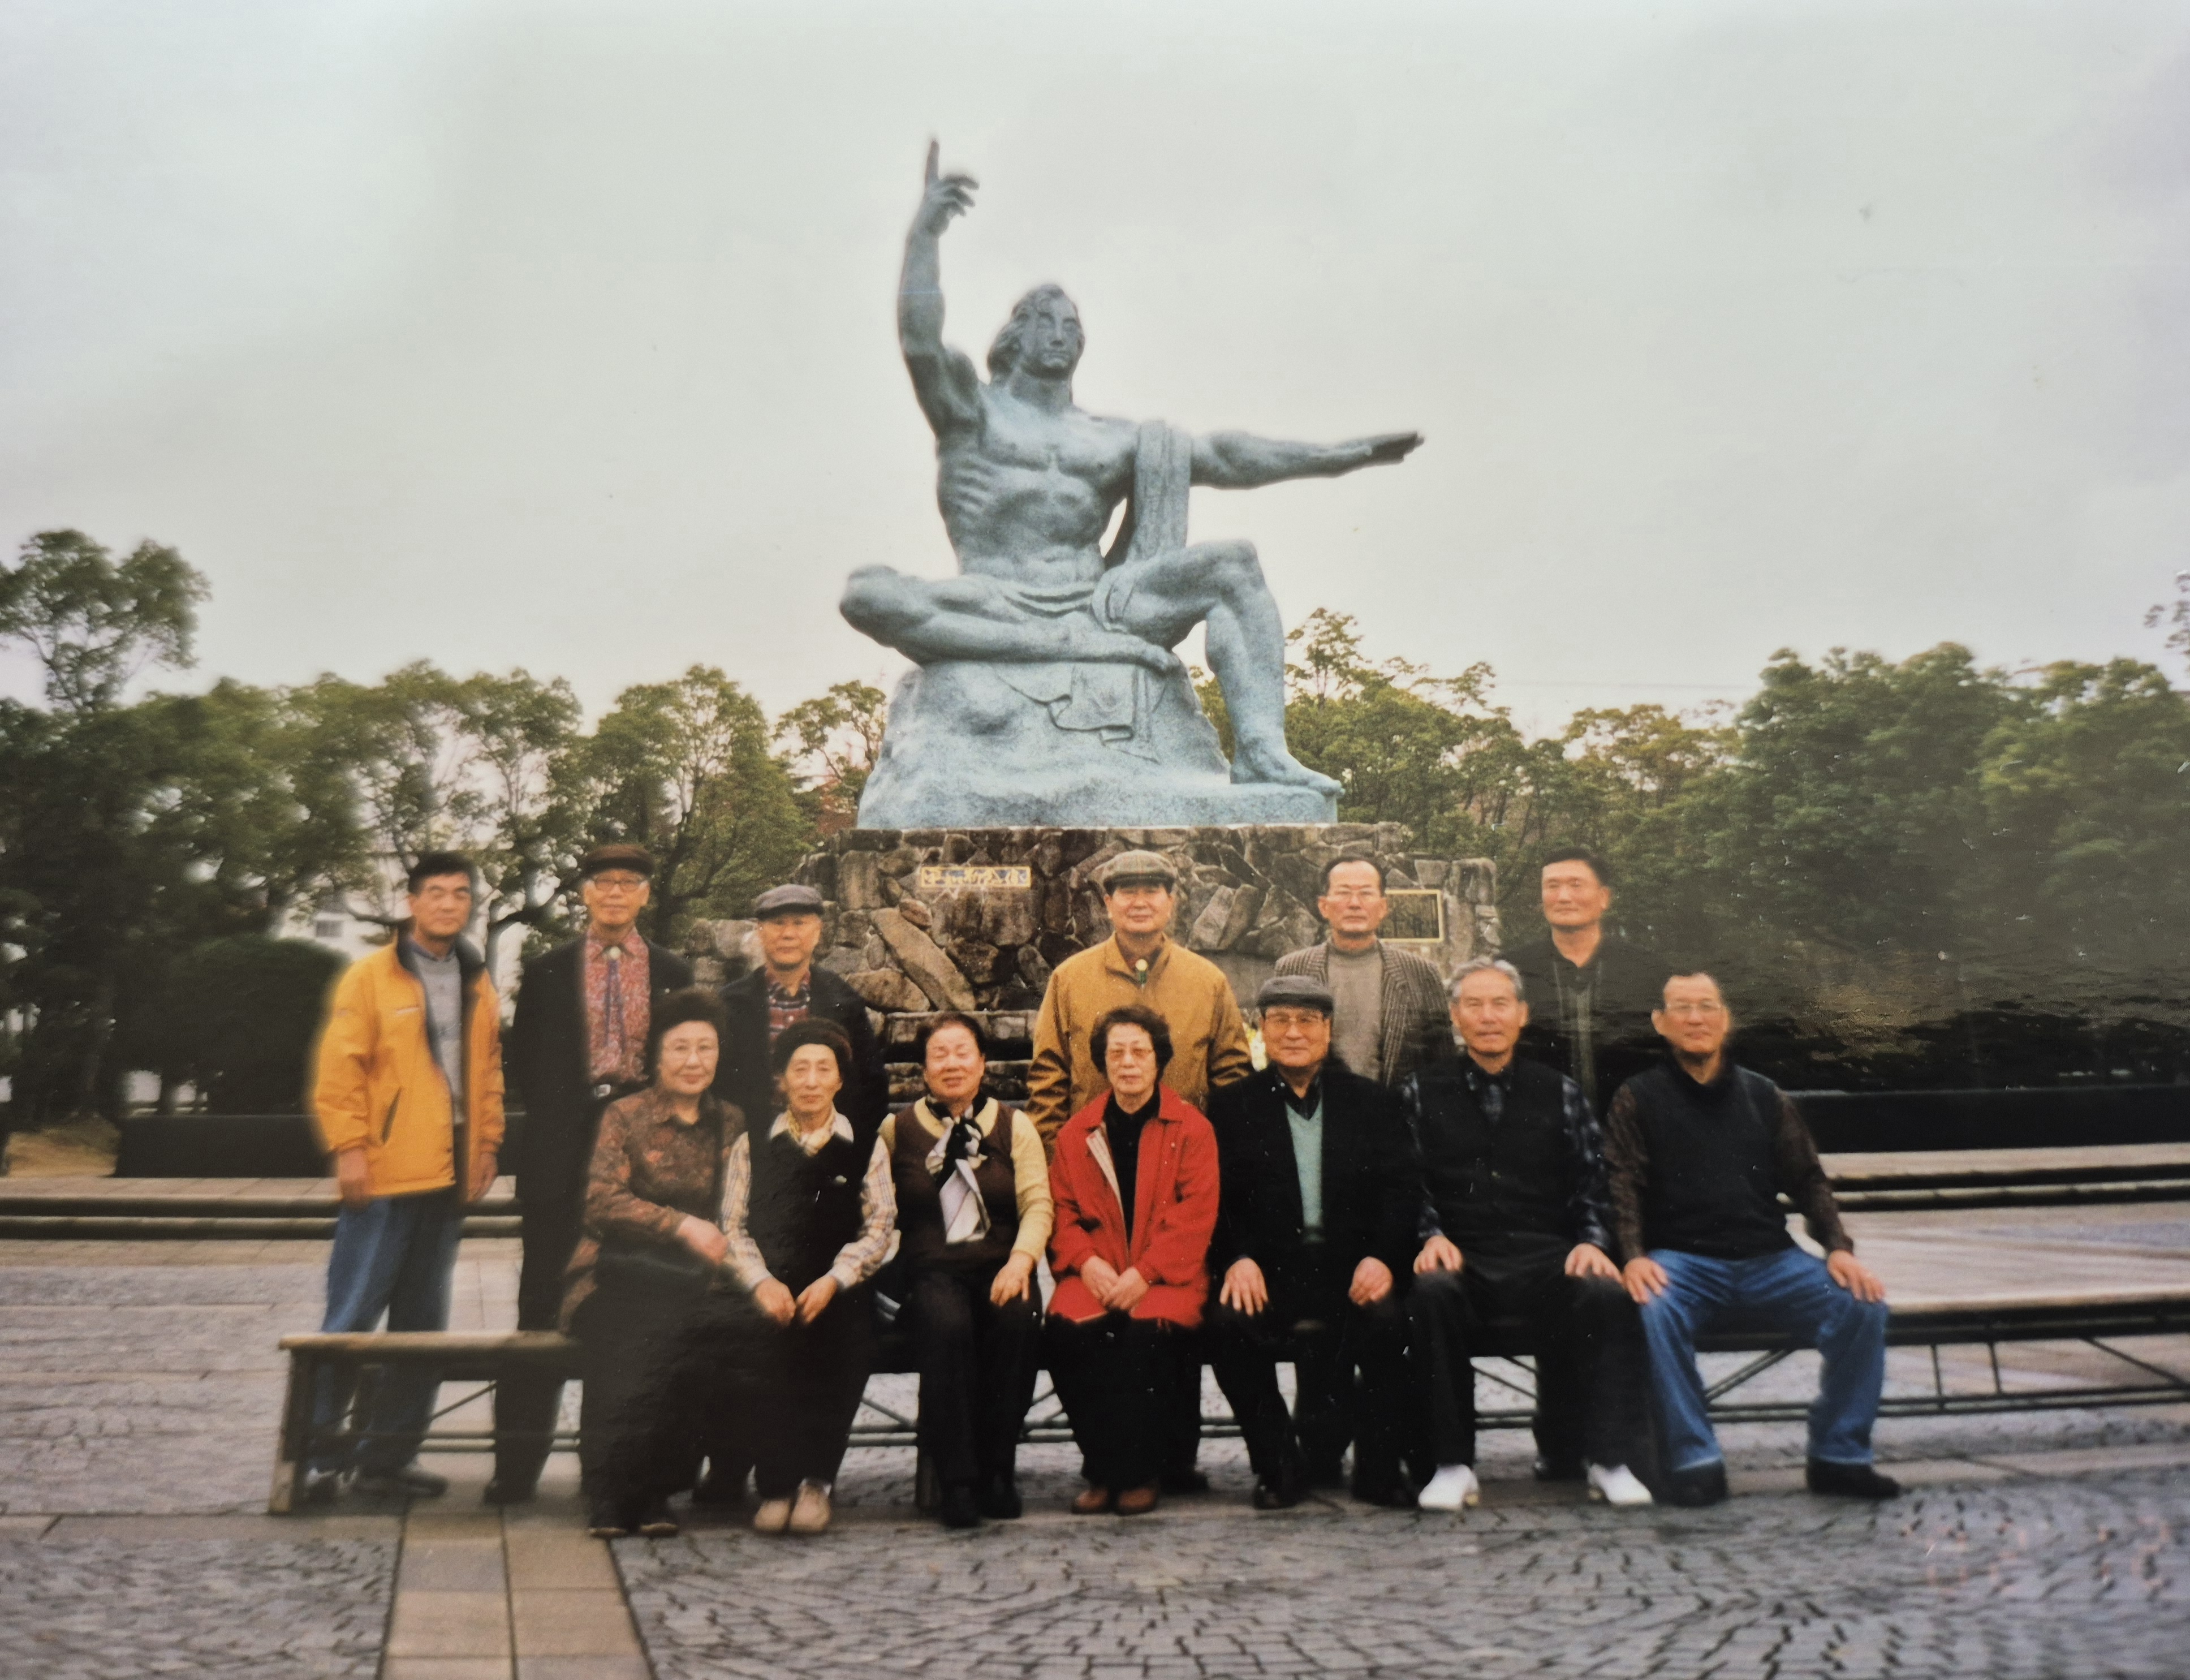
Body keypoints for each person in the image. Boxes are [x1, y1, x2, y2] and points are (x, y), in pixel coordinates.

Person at [1606, 972, 1898, 1507]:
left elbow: (1808, 1178)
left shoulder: (1764, 1095)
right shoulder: (1637, 1098)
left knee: (1862, 1306)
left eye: (1707, 1006)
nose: (1696, 1018)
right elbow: (1622, 1182)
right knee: (1653, 1308)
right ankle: (1695, 1459)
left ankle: (1839, 1454)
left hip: (1771, 1262)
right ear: (1660, 1023)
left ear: (1726, 1019)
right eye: (1682, 1008)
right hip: (1683, 1264)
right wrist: (1633, 1257)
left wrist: (1838, 1248)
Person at [1028, 848, 1252, 1491]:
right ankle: (1112, 1461)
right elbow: (1047, 1078)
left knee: (1166, 1325)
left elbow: (1233, 1075)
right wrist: (1059, 1164)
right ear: (1106, 904)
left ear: (1172, 901)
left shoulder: (1207, 981)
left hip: (1181, 1178)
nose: (1139, 901)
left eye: (1153, 889)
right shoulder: (1070, 979)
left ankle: (1170, 1461)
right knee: (1088, 1328)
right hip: (1094, 1174)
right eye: (1125, 891)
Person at [1403, 958, 1653, 1513]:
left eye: (1500, 1004)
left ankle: (1609, 1459)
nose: (1487, 1017)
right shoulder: (1420, 1091)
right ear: (1455, 1016)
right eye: (1473, 1005)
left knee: (1603, 1292)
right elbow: (1408, 1180)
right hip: (1464, 1254)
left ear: (1521, 1014)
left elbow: (1593, 1179)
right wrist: (1430, 1234)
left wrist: (1591, 1240)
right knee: (1430, 1292)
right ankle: (1452, 1464)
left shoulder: (1559, 1091)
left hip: (1545, 1254)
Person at [493, 843, 693, 1505]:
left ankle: (620, 1464)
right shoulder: (547, 971)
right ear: (585, 893)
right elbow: (525, 1062)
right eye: (603, 882)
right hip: (560, 1161)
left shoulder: (671, 971)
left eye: (628, 882)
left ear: (644, 894)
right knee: (540, 1306)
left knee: (636, 1306)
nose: (614, 893)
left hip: (643, 1164)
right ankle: (515, 1465)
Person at [304, 851, 505, 1502]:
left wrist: (487, 1145)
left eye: (459, 894)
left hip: (447, 1178)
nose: (448, 904)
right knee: (351, 1318)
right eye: (435, 893)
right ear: (412, 902)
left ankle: (387, 1459)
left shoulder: (477, 980)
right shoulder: (371, 976)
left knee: (421, 1328)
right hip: (384, 1178)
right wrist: (350, 1148)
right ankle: (315, 1455)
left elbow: (488, 1073)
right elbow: (340, 1069)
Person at [700, 880, 886, 1504]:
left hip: (826, 1174)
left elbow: (868, 1087)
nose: (788, 933)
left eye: (800, 922)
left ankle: (806, 1475)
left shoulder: (842, 1000)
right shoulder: (731, 1003)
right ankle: (733, 1466)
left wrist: (839, 1155)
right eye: (776, 922)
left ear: (817, 931)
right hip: (756, 1166)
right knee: (738, 1323)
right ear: (760, 932)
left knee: (829, 1325)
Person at [1206, 977, 1420, 1509]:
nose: (1294, 1032)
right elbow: (1217, 1199)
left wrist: (1383, 1259)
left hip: (1351, 1268)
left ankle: (1378, 1468)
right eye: (1280, 1020)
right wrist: (1238, 1259)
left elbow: (1401, 1191)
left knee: (1394, 1320)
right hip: (1272, 1271)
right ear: (1261, 1029)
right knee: (1229, 1323)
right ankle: (1279, 1464)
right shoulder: (1233, 1107)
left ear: (1328, 1029)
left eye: (1307, 1020)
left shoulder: (1372, 1101)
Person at [559, 990, 739, 1539]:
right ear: (656, 1057)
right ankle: (611, 1492)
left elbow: (739, 1206)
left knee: (694, 1333)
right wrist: (679, 1225)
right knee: (629, 1333)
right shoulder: (624, 1116)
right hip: (613, 1273)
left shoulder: (729, 1122)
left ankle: (659, 1488)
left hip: (690, 1282)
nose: (693, 1060)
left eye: (705, 1047)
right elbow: (600, 1201)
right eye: (679, 1048)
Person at [722, 1019, 897, 1536]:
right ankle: (776, 1484)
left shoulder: (865, 1147)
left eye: (824, 1069)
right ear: (782, 1079)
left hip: (839, 1287)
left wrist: (836, 1279)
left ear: (840, 1079)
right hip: (770, 1284)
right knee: (761, 1348)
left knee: (844, 1343)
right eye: (800, 1069)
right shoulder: (753, 1146)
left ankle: (818, 1482)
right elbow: (732, 1226)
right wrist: (760, 1282)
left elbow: (880, 1227)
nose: (812, 1081)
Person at [1044, 1005, 1220, 1517]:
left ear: (1158, 1059)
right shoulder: (1077, 1134)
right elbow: (1062, 1212)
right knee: (1066, 1331)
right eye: (1116, 1053)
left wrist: (1145, 1274)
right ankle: (1103, 1468)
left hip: (1166, 1275)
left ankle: (1138, 1473)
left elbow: (1195, 1215)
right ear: (1102, 1062)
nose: (1128, 1063)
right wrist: (1087, 1264)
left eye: (1139, 1052)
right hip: (1097, 1271)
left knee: (1145, 1337)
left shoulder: (1191, 1129)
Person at [880, 1013, 1053, 1528]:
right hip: (932, 1270)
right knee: (946, 1326)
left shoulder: (1014, 1126)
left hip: (1002, 1266)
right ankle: (956, 1479)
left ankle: (998, 1469)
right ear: (924, 1068)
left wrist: (1021, 1261)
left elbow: (1038, 1203)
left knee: (1016, 1321)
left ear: (982, 1063)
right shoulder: (897, 1131)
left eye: (963, 1053)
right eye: (940, 1055)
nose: (952, 1064)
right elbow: (880, 1209)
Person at [1506, 849, 1672, 1113]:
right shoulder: (1510, 971)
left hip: (1631, 1124)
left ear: (1604, 897)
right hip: (1541, 1123)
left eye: (1576, 885)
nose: (1563, 897)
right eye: (1552, 886)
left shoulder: (1648, 970)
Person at [1273, 854, 1453, 1087]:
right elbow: (1279, 1054)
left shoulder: (1420, 973)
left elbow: (1443, 1063)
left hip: (1395, 1107)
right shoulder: (1292, 969)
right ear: (1324, 906)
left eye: (1366, 893)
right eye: (1344, 893)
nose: (1355, 904)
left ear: (1383, 907)